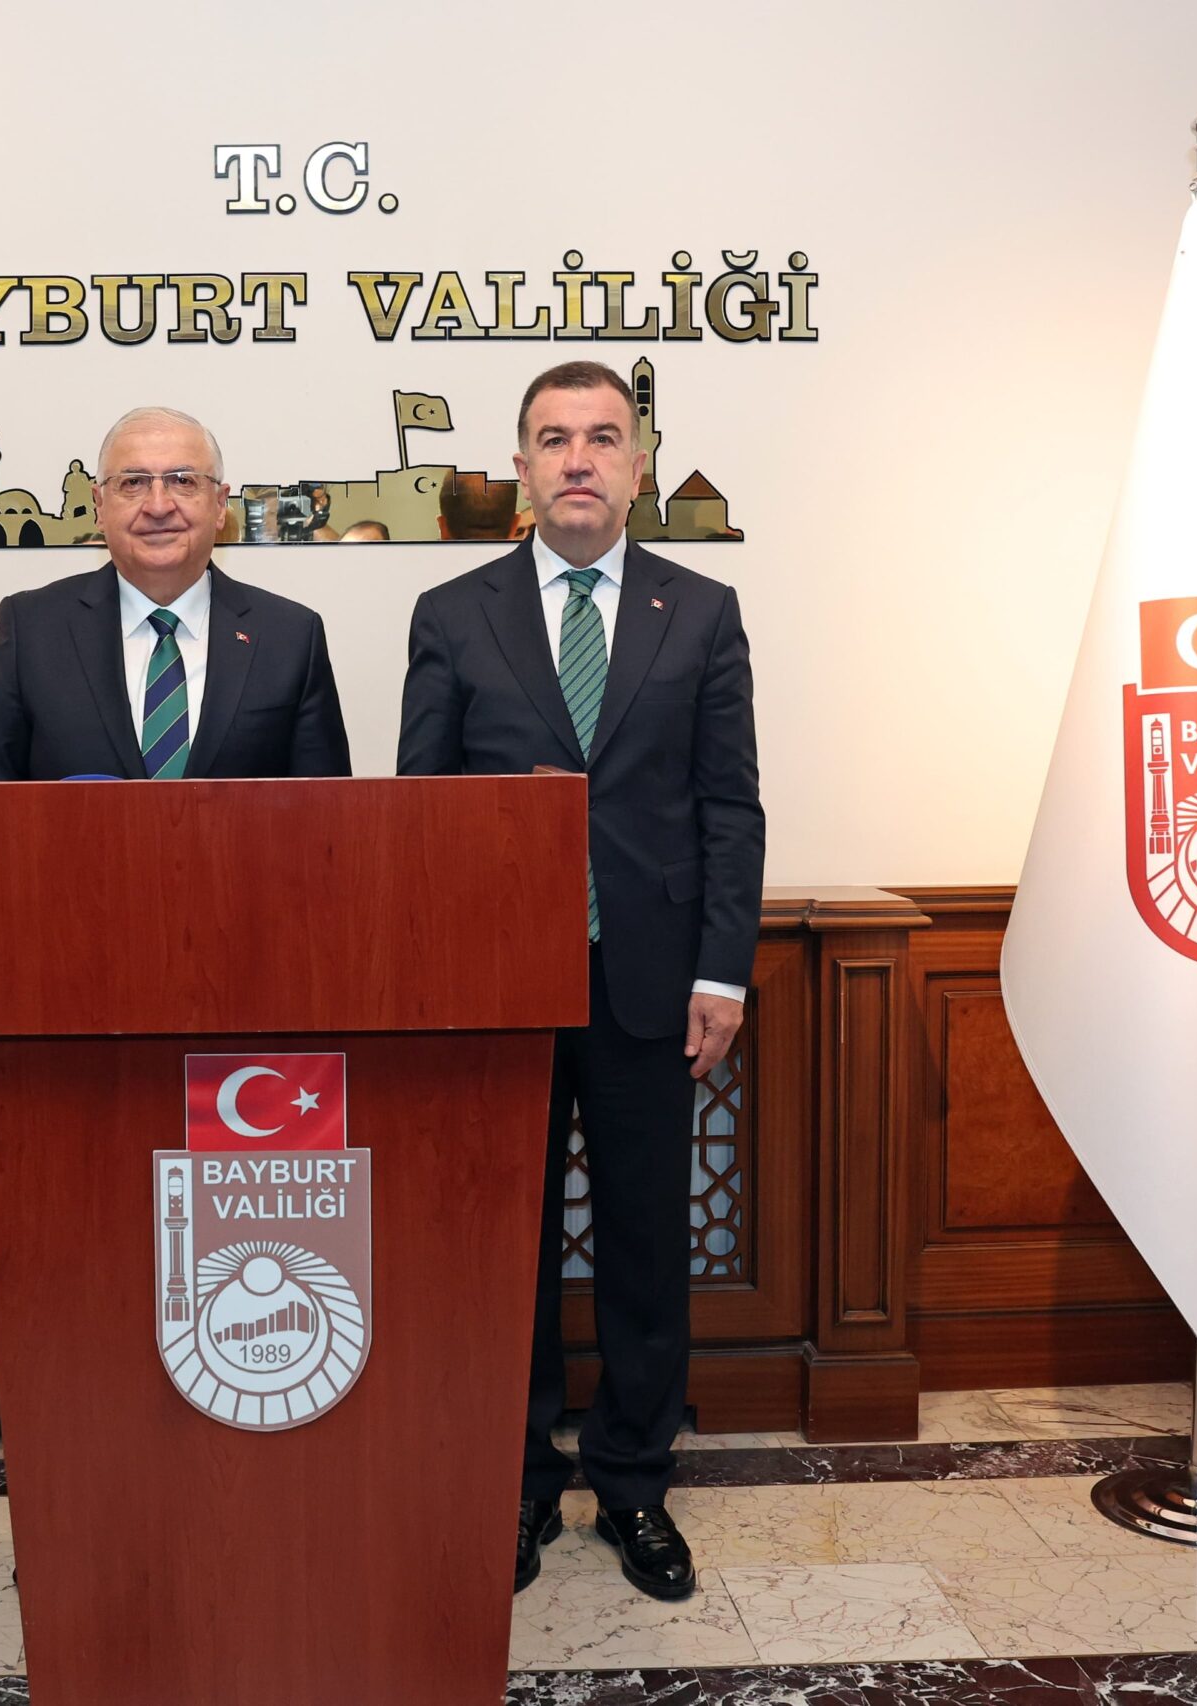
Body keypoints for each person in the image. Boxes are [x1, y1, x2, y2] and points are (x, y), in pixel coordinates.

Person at [398, 360, 763, 1602]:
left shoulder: (699, 611)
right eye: (553, 438)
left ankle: (633, 1482)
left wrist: (722, 970)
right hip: (496, 989)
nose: (578, 459)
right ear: (521, 466)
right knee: (503, 1248)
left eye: (602, 437)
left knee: (645, 1243)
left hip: (651, 985)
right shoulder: (453, 613)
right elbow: (423, 818)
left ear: (637, 465)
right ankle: (513, 1482)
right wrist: (438, 983)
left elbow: (728, 806)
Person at [0, 407, 352, 781]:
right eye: (133, 483)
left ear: (219, 505)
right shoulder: (31, 630)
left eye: (183, 481)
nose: (158, 506)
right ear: (99, 506)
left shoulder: (290, 637)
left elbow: (329, 814)